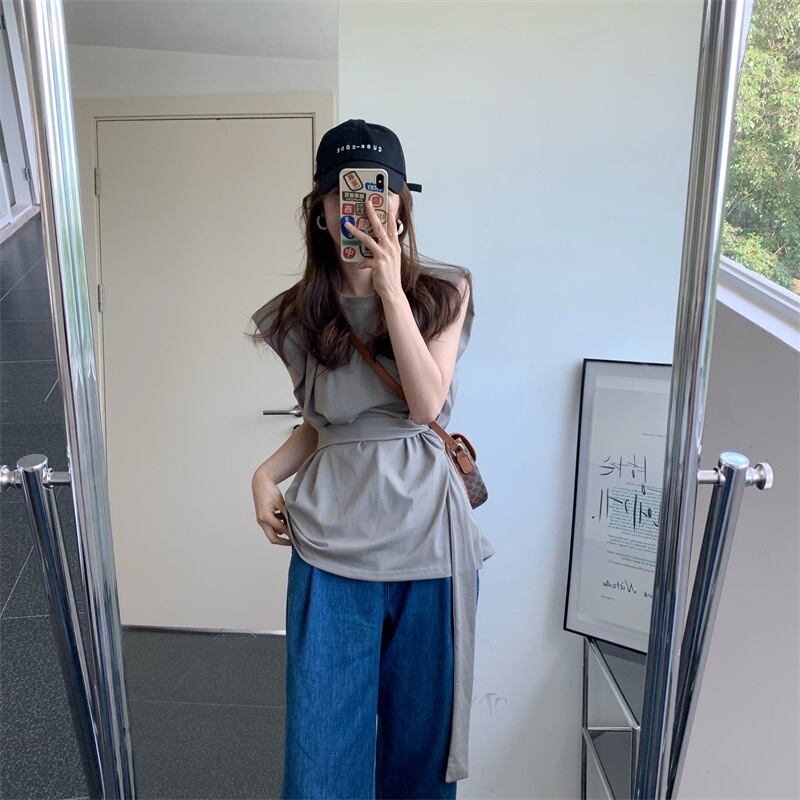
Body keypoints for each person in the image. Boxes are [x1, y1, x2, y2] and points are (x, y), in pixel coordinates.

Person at [248, 118, 496, 799]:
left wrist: (389, 288)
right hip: (331, 545)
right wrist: (265, 473)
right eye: (346, 192)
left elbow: (423, 404)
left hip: (431, 544)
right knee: (322, 763)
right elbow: (327, 423)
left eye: (380, 189)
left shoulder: (444, 291)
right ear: (321, 210)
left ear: (402, 203)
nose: (365, 205)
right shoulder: (295, 315)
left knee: (422, 757)